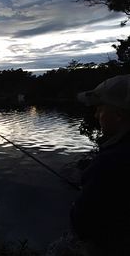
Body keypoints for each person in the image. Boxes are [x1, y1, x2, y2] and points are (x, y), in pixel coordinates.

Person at [70, 74, 130, 255]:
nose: (96, 115)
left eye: (99, 108)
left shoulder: (110, 161)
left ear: (118, 115)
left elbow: (82, 223)